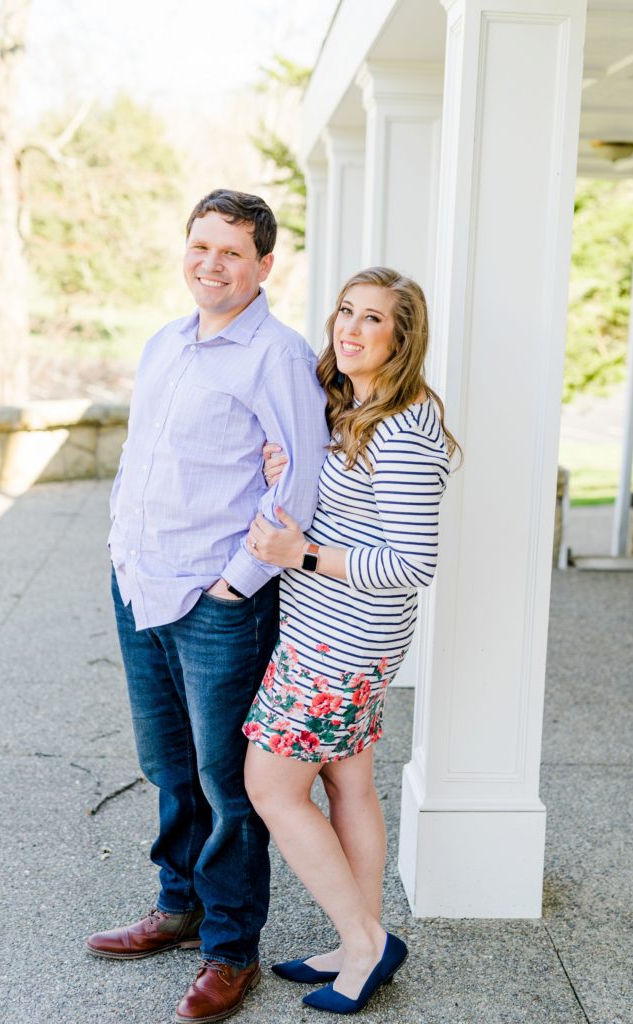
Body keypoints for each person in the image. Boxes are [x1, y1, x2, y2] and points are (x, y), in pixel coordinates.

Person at [85, 189, 328, 1024]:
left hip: (213, 601)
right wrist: (118, 548)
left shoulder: (279, 356)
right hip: (138, 584)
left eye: (231, 251)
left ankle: (230, 948)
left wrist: (235, 585)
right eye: (201, 246)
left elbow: (298, 482)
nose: (211, 264)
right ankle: (177, 906)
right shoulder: (165, 342)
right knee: (167, 765)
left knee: (227, 783)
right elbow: (142, 456)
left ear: (264, 265)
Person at [242, 266, 459, 1015]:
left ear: (402, 338)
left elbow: (411, 564)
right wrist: (287, 466)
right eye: (345, 311)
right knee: (346, 782)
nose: (351, 328)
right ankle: (361, 938)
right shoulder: (355, 407)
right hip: (340, 637)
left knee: (271, 787)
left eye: (373, 318)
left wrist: (299, 555)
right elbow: (345, 502)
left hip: (339, 646)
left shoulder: (401, 428)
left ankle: (362, 943)